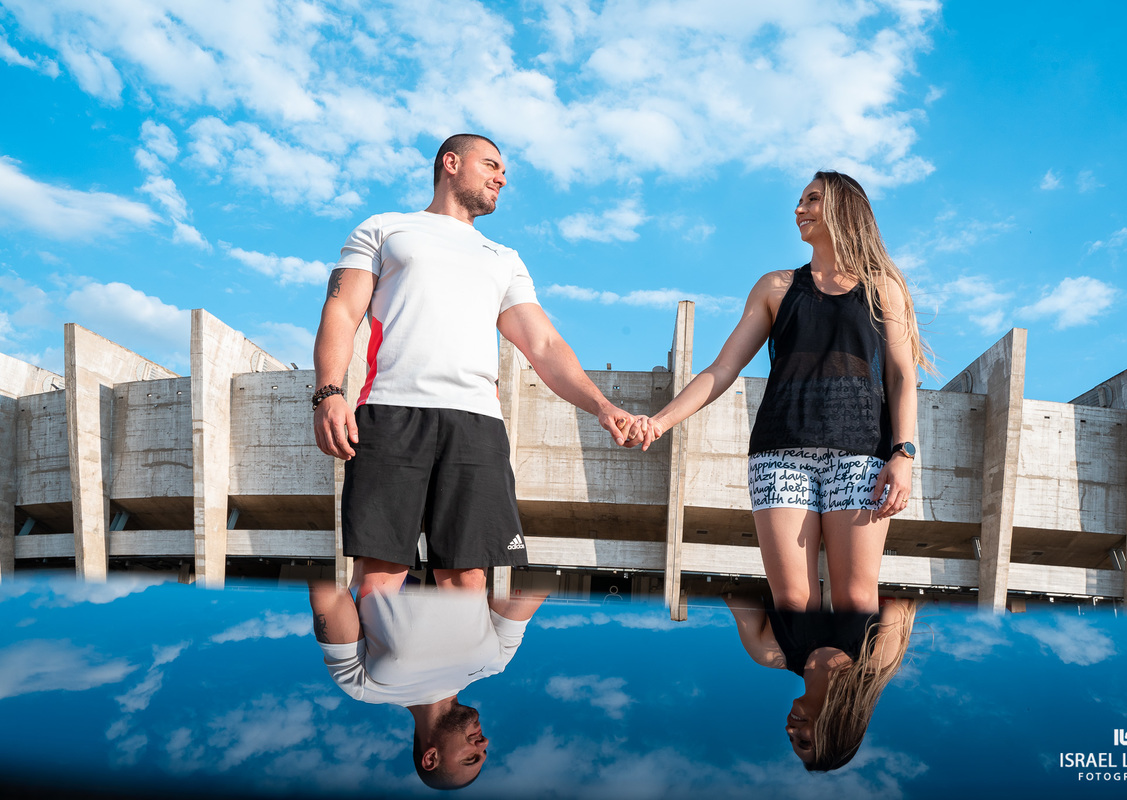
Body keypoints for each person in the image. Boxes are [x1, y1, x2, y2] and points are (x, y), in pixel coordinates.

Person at [312, 133, 639, 596]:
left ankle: (452, 668)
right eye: (490, 166)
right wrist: (329, 392)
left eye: (503, 172)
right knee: (379, 579)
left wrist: (602, 406)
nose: (501, 179)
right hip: (391, 413)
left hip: (478, 424)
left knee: (467, 580)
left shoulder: (504, 259)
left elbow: (543, 343)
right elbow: (341, 312)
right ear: (451, 163)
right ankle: (378, 671)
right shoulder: (385, 228)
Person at [636, 170, 932, 616]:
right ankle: (809, 685)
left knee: (854, 600)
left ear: (843, 209)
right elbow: (723, 367)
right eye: (800, 201)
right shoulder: (775, 287)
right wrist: (660, 422)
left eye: (811, 199)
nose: (799, 209)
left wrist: (903, 454)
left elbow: (902, 377)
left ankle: (848, 687)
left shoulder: (883, 287)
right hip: (779, 454)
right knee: (794, 601)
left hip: (861, 455)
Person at [309, 575, 547, 789]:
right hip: (467, 540)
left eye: (472, 757)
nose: (484, 742)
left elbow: (330, 595)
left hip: (385, 543)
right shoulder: (495, 662)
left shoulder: (362, 687)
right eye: (484, 752)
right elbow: (533, 581)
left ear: (431, 757)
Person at [724, 593, 918, 770]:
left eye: (790, 738)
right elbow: (899, 591)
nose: (789, 729)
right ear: (834, 732)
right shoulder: (877, 658)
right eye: (804, 741)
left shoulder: (765, 651)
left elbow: (731, 586)